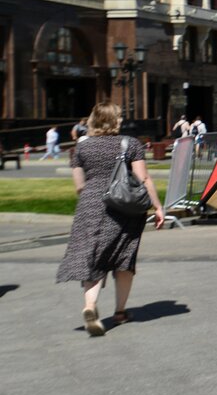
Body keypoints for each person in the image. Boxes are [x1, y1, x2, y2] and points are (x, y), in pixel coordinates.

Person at [56, 102, 165, 336]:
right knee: (124, 257)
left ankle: (90, 305)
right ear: (116, 120)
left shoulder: (81, 149)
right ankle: (120, 312)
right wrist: (157, 206)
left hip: (91, 206)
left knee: (94, 257)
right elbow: (143, 178)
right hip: (124, 207)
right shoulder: (130, 143)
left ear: (93, 120)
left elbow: (79, 186)